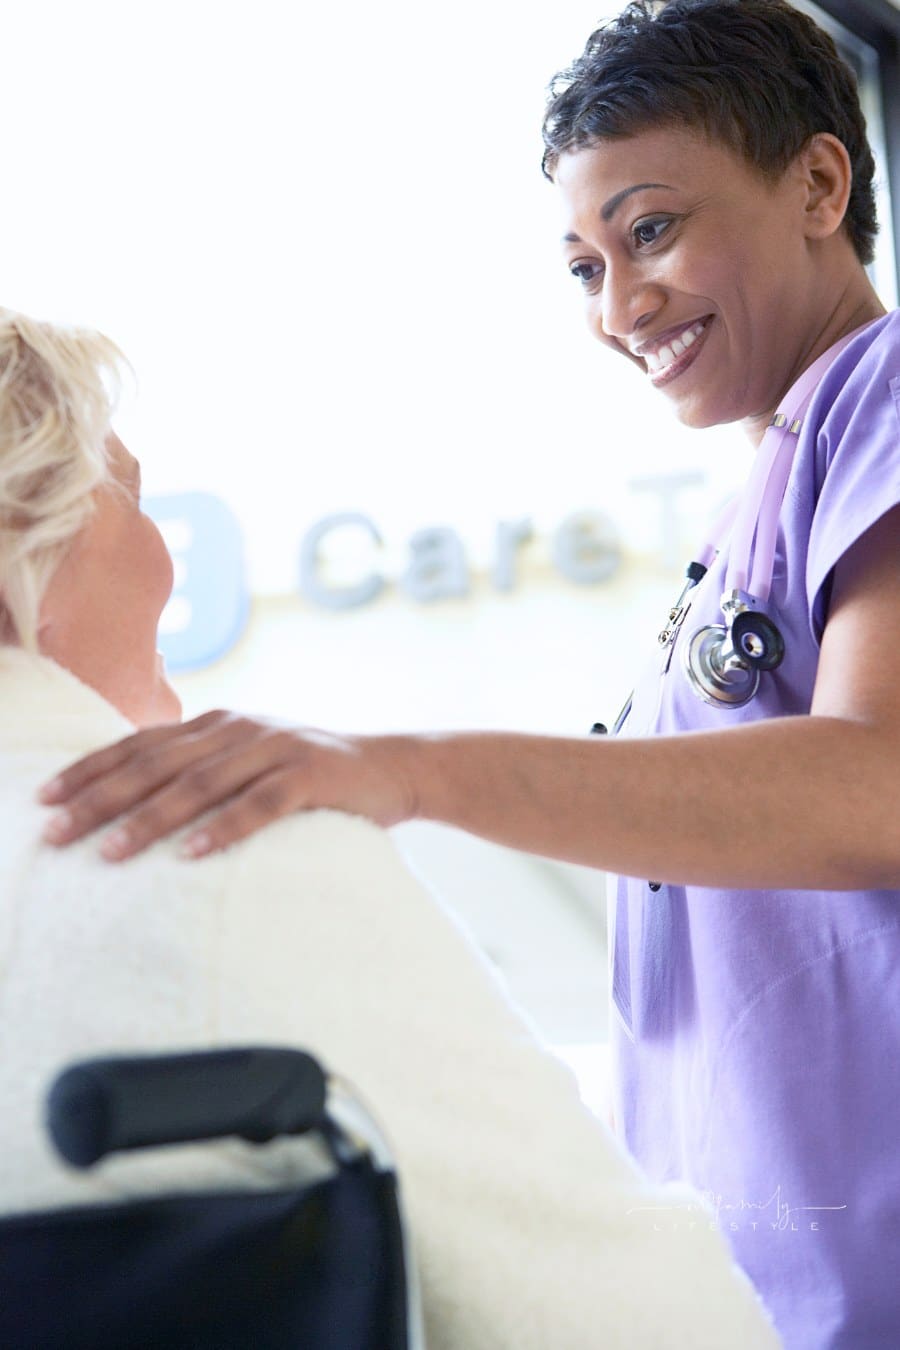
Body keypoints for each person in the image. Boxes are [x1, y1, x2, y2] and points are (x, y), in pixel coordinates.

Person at [36, 0, 900, 1344]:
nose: (621, 304)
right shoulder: (763, 494)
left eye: (652, 229)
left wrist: (408, 770)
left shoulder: (884, 403)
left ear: (820, 182)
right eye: (581, 266)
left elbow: (875, 789)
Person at [0, 310, 779, 1345]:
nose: (166, 548)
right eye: (129, 494)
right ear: (25, 543)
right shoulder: (216, 851)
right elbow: (646, 1321)